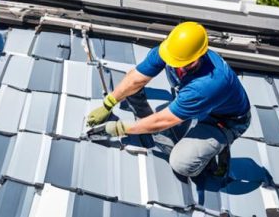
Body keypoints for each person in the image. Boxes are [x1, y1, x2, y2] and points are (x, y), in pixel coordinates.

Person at [85, 21, 251, 178]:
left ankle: (217, 148)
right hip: (198, 103)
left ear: (196, 58)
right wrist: (108, 104)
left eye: (181, 64)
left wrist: (120, 128)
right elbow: (136, 78)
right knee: (143, 104)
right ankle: (182, 122)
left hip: (224, 121)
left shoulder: (209, 83)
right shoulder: (173, 51)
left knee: (181, 163)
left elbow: (162, 121)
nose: (174, 65)